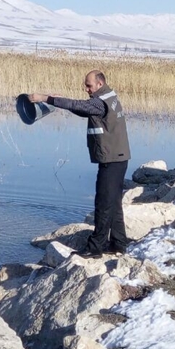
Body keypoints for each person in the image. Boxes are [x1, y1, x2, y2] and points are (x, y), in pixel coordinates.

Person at [29, 70, 131, 258]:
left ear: (99, 84)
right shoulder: (108, 96)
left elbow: (80, 105)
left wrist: (46, 98)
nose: (86, 89)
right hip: (118, 157)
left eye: (89, 85)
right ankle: (118, 244)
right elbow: (83, 109)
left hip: (112, 159)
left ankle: (96, 247)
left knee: (103, 203)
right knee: (113, 202)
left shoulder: (100, 101)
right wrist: (58, 102)